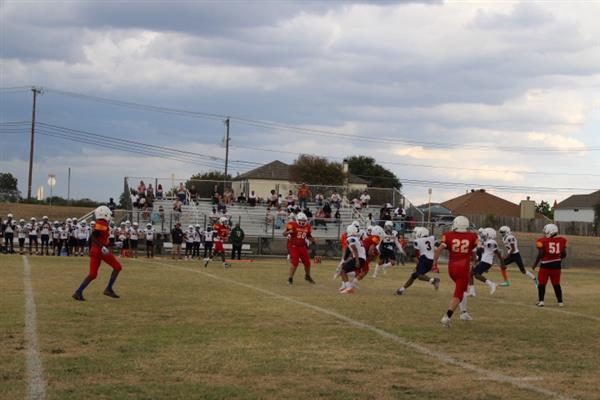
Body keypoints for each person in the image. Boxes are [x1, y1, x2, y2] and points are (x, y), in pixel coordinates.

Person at [434, 216, 478, 327]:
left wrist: (434, 263)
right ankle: (447, 317)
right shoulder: (473, 236)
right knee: (458, 293)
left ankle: (463, 313)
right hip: (463, 269)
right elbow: (474, 254)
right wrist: (474, 260)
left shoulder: (448, 235)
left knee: (462, 290)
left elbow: (439, 249)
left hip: (452, 268)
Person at [72, 206, 123, 301]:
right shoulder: (102, 222)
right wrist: (102, 247)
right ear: (104, 213)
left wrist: (113, 244)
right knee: (117, 267)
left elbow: (100, 240)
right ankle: (108, 289)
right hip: (99, 251)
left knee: (92, 274)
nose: (110, 216)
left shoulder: (101, 223)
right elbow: (93, 237)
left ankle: (78, 292)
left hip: (95, 251)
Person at [396, 227, 440, 295]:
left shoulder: (417, 241)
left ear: (420, 233)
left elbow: (414, 255)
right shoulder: (432, 238)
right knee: (414, 276)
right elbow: (438, 245)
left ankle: (433, 280)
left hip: (424, 259)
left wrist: (416, 262)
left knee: (419, 275)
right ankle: (401, 290)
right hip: (432, 260)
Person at [531, 224, 567, 307]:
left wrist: (535, 264)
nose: (544, 233)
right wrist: (558, 260)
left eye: (545, 231)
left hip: (545, 266)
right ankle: (560, 302)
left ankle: (541, 301)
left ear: (550, 232)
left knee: (542, 284)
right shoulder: (562, 240)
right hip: (557, 266)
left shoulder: (541, 241)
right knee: (556, 284)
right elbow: (564, 254)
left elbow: (540, 254)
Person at [284, 212, 316, 285]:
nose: (303, 222)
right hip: (293, 245)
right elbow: (284, 234)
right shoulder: (292, 224)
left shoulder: (307, 226)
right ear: (297, 220)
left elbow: (308, 236)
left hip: (302, 246)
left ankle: (307, 276)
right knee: (295, 262)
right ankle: (290, 278)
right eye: (301, 220)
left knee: (307, 263)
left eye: (304, 221)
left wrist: (312, 239)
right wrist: (289, 231)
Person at [471, 228, 503, 295]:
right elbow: (484, 251)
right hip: (484, 261)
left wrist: (502, 263)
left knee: (476, 274)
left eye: (485, 234)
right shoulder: (487, 241)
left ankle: (492, 284)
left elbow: (497, 252)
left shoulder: (491, 242)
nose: (483, 235)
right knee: (471, 273)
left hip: (486, 262)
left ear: (489, 234)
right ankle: (472, 291)